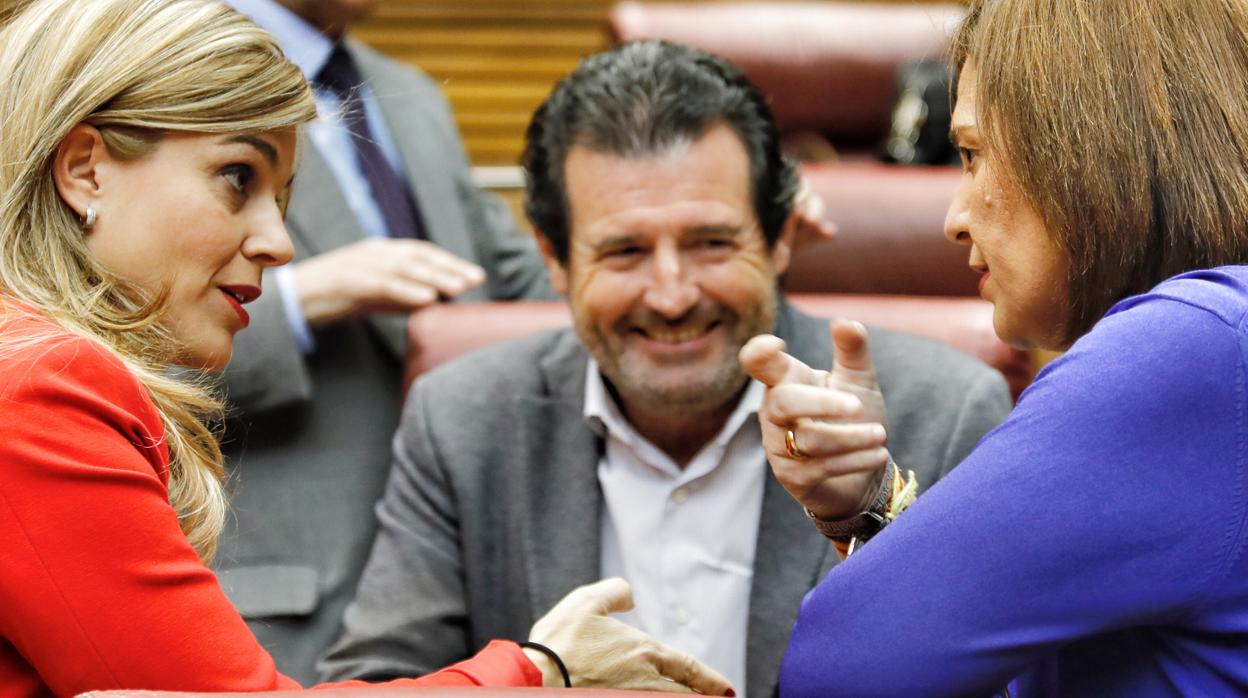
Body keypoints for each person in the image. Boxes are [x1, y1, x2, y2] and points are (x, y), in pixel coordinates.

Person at [0, 1, 736, 695]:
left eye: (281, 199)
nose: (277, 242)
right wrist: (545, 670)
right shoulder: (45, 382)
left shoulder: (409, 96)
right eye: (236, 179)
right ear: (85, 168)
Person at [318, 40, 1013, 698]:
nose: (673, 295)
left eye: (711, 243)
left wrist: (863, 516)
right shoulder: (463, 418)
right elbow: (380, 683)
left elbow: (993, 680)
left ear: (778, 239)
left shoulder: (942, 408)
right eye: (623, 252)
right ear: (554, 259)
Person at [740, 0, 1248, 696]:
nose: (953, 218)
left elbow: (838, 670)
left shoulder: (1191, 344)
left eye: (974, 155)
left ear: (1092, 150)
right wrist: (873, 507)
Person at [210, 0, 556, 682]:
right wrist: (303, 300)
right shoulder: (163, 72)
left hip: (467, 593)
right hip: (290, 610)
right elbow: (96, 335)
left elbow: (510, 273)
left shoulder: (410, 93)